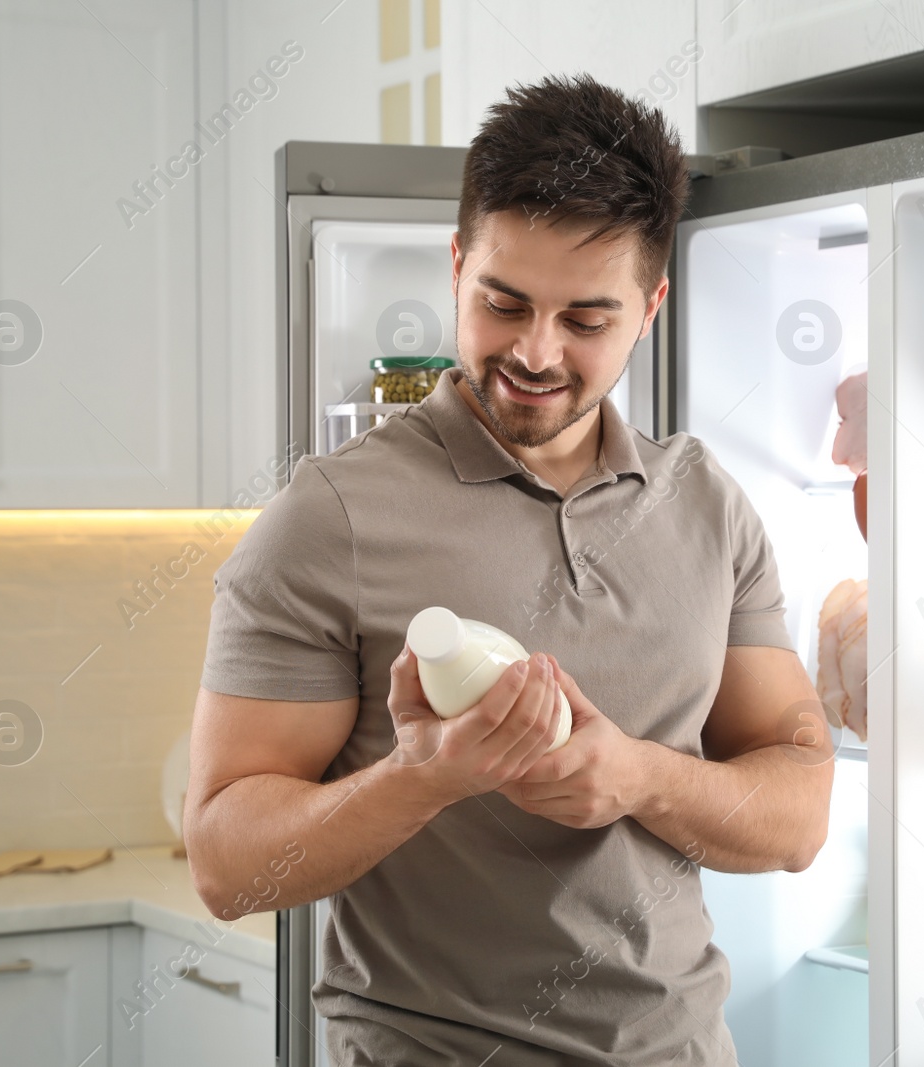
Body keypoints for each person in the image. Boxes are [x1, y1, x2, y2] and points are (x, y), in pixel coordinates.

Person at [184, 71, 835, 1067]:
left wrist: (637, 776)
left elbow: (797, 812)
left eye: (586, 319)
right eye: (504, 302)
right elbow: (226, 861)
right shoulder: (331, 517)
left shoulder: (705, 503)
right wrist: (421, 779)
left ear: (651, 306)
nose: (535, 352)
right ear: (455, 266)